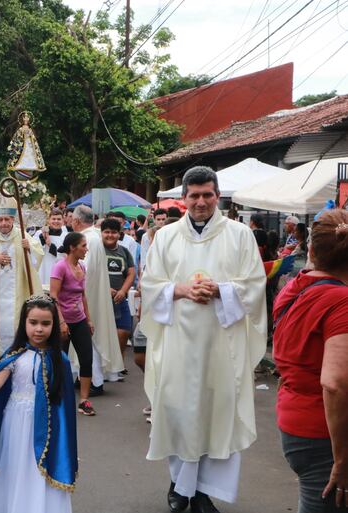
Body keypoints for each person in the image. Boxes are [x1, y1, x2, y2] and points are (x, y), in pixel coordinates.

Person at [140, 166, 267, 513]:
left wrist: (220, 291)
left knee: (215, 414)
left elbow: (255, 285)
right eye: (194, 196)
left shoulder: (240, 235)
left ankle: (202, 492)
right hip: (177, 343)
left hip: (221, 346)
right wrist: (180, 289)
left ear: (217, 196)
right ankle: (180, 487)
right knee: (178, 412)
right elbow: (150, 285)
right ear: (183, 199)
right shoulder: (165, 237)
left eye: (207, 195)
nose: (200, 202)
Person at [0, 295, 77, 513]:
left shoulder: (61, 361)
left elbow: (64, 411)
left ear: (54, 325)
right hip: (15, 424)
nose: (39, 329)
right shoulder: (14, 356)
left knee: (38, 474)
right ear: (24, 324)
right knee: (16, 469)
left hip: (46, 428)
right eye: (33, 322)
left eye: (46, 324)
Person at [273, 210, 348, 513]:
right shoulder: (340, 301)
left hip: (294, 419)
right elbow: (335, 383)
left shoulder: (294, 287)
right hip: (324, 434)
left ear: (312, 250)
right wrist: (342, 459)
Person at [0, 191, 43, 370]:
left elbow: (37, 260)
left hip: (17, 297)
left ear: (13, 219)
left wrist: (29, 250)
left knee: (16, 331)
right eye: (0, 219)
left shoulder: (24, 237)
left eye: (7, 219)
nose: (4, 223)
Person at [70, 205, 125, 390]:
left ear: (76, 221)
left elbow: (84, 269)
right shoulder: (94, 236)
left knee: (89, 338)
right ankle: (85, 376)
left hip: (88, 295)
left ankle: (93, 380)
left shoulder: (88, 239)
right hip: (93, 293)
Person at [49, 231, 96, 416]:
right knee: (59, 361)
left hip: (80, 320)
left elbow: (82, 295)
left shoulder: (82, 267)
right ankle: (56, 398)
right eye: (83, 245)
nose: (86, 249)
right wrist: (60, 322)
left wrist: (89, 319)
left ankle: (84, 400)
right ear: (72, 247)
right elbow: (53, 296)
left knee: (87, 359)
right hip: (62, 321)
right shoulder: (60, 267)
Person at [101, 218, 136, 364]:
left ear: (119, 234)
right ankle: (105, 365)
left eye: (114, 232)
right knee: (102, 334)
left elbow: (131, 273)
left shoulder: (124, 251)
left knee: (124, 331)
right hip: (101, 299)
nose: (110, 235)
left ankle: (118, 365)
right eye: (106, 232)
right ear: (101, 233)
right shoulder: (96, 249)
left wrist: (123, 290)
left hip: (120, 298)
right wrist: (104, 288)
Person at [35, 209, 68, 288]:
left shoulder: (66, 236)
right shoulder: (39, 234)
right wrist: (42, 239)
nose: (56, 221)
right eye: (53, 219)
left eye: (59, 219)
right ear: (49, 220)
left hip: (58, 272)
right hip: (43, 270)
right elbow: (34, 251)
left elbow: (65, 256)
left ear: (63, 220)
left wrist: (50, 245)